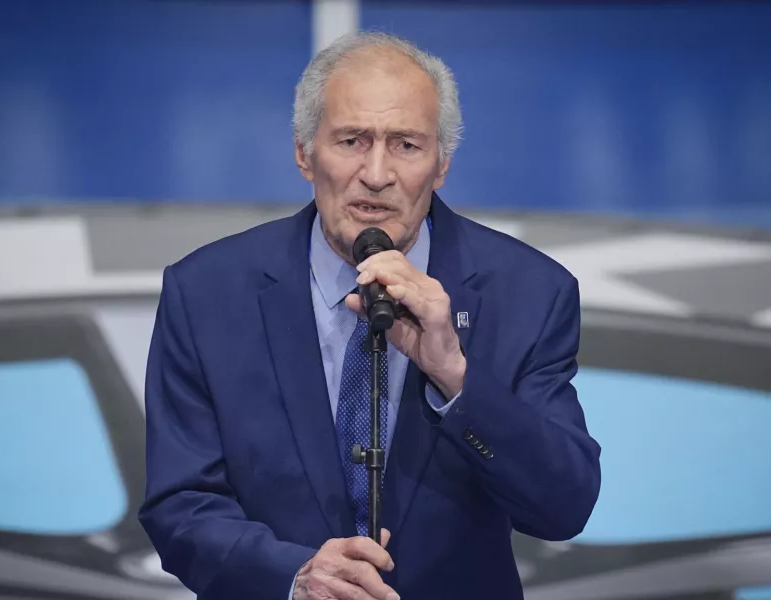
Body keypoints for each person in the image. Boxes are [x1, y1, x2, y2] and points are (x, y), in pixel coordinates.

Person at [138, 31, 601, 600]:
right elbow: (179, 506)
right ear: (305, 153)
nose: (377, 173)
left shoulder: (529, 293)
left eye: (406, 145)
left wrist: (457, 377)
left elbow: (564, 507)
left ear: (441, 165)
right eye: (352, 140)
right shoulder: (207, 292)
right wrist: (293, 577)